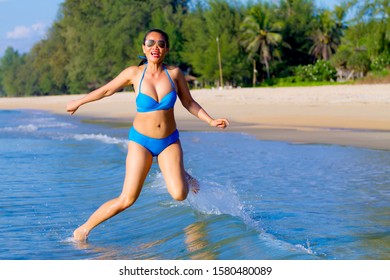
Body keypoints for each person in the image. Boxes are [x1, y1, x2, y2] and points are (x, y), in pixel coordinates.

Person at [66, 29, 229, 241]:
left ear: (166, 49)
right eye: (151, 43)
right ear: (143, 48)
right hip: (141, 142)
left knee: (180, 194)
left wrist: (210, 120)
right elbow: (106, 90)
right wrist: (79, 102)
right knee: (127, 199)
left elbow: (188, 102)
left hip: (168, 142)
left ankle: (183, 175)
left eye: (161, 44)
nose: (156, 47)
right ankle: (83, 230)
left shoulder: (174, 74)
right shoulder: (134, 73)